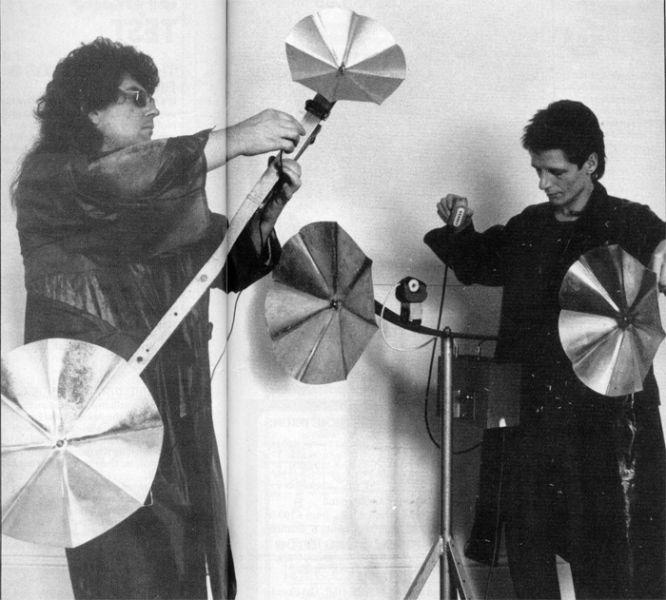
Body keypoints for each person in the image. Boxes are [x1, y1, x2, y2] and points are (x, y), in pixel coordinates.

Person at [11, 37, 306, 600]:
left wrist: (268, 208)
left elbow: (219, 265)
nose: (154, 110)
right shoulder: (53, 180)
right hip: (97, 419)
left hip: (174, 411)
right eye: (136, 97)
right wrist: (237, 137)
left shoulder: (156, 202)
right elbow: (120, 180)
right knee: (125, 575)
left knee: (185, 572)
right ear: (89, 108)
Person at [424, 100, 665, 599]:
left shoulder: (630, 222)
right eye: (537, 170)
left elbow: (662, 246)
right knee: (528, 546)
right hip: (530, 412)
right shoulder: (529, 226)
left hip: (604, 418)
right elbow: (479, 265)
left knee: (611, 554)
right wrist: (460, 229)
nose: (543, 183)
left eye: (555, 172)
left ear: (590, 164)